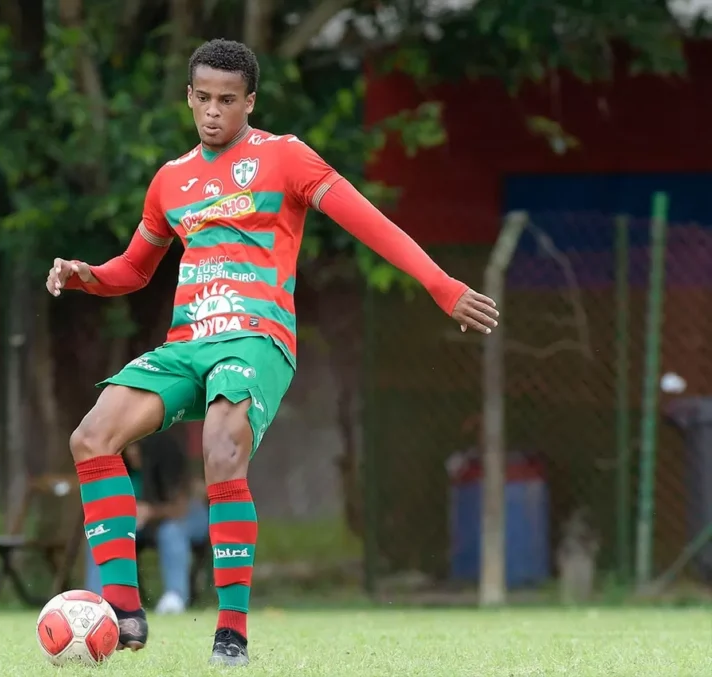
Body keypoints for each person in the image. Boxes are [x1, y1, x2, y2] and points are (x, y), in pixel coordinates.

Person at [46, 38, 499, 667]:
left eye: (228, 100)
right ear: (189, 97)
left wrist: (441, 286)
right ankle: (123, 613)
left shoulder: (286, 157)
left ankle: (231, 632)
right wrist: (87, 275)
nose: (213, 112)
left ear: (250, 101)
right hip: (188, 344)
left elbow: (369, 222)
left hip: (257, 339)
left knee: (221, 446)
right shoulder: (170, 180)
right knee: (92, 437)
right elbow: (134, 269)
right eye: (204, 98)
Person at [82, 432, 209, 615]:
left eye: (137, 447)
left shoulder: (170, 464)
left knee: (170, 532)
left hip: (183, 520)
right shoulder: (121, 469)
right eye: (129, 447)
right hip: (140, 525)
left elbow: (179, 510)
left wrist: (150, 511)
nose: (133, 452)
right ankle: (98, 600)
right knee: (101, 532)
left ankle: (175, 597)